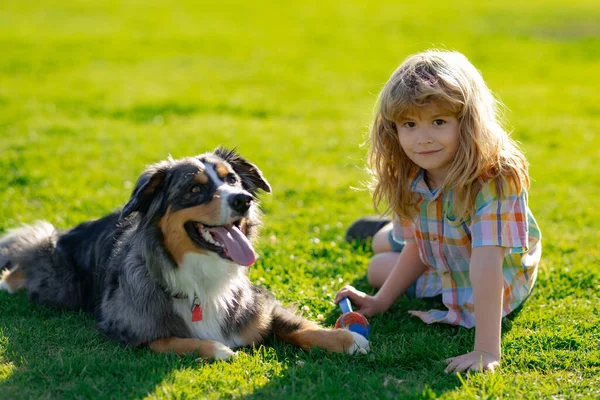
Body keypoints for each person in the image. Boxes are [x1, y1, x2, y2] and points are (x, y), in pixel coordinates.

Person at [335, 49, 541, 373]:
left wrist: (487, 350)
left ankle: (386, 234)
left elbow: (487, 265)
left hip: (492, 272)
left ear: (468, 122)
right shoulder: (409, 171)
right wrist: (381, 301)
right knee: (381, 261)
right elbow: (419, 244)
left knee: (379, 263)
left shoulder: (496, 179)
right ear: (393, 128)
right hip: (444, 249)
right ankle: (387, 233)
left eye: (439, 121)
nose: (423, 139)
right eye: (410, 124)